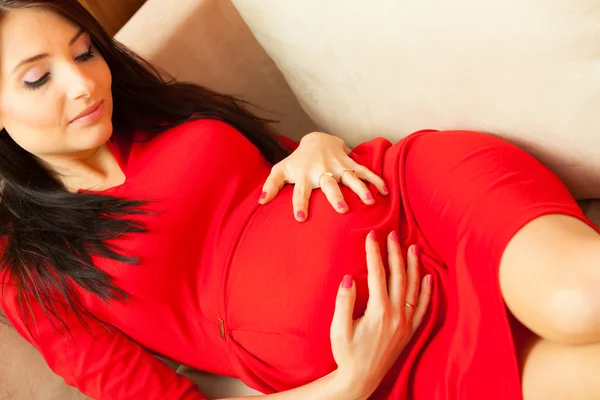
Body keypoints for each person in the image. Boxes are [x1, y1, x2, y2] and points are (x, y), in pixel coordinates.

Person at [0, 1, 599, 399]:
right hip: (402, 364)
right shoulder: (29, 267)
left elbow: (289, 168)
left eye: (83, 53)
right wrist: (351, 381)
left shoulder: (152, 114)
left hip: (418, 197)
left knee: (582, 302)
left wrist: (316, 143)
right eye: (37, 78)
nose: (83, 83)